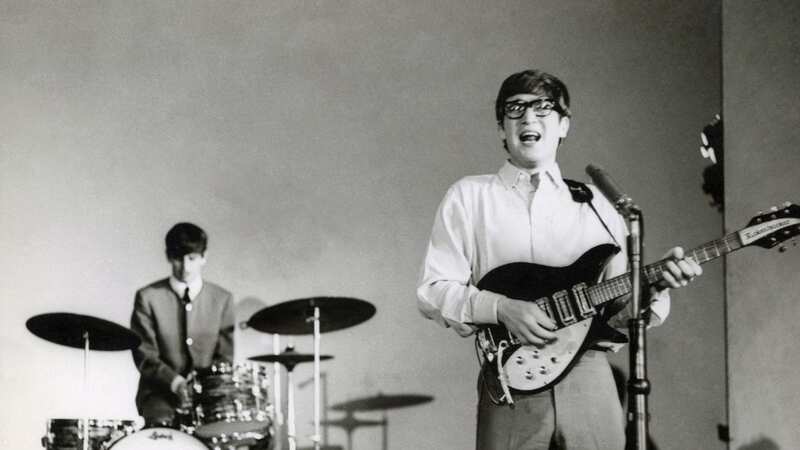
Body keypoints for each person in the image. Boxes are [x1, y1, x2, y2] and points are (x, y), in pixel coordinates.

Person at [416, 69, 702, 449]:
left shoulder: (598, 203)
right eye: (515, 109)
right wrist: (501, 308)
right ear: (502, 128)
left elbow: (617, 314)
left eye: (543, 108)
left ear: (564, 125)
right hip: (509, 377)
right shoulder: (469, 196)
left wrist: (654, 287)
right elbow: (433, 291)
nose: (529, 118)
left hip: (589, 373)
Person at [130, 222, 234, 427]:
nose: (185, 267)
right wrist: (175, 383)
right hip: (159, 393)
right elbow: (146, 356)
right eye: (178, 259)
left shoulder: (222, 299)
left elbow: (225, 358)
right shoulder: (148, 297)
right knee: (161, 430)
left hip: (207, 394)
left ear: (204, 257)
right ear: (169, 257)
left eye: (192, 258)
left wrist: (202, 388)